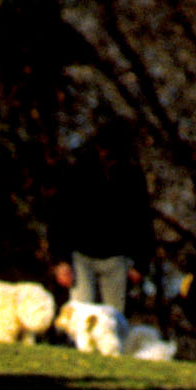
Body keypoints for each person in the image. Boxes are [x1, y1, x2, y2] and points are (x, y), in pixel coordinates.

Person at [47, 125, 152, 316]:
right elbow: (58, 217)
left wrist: (141, 264)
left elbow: (142, 220)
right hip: (80, 256)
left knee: (115, 320)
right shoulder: (76, 171)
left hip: (116, 259)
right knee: (81, 316)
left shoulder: (132, 175)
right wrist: (61, 260)